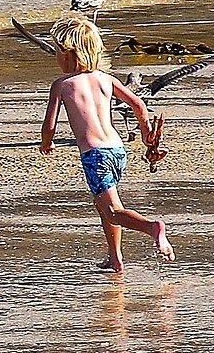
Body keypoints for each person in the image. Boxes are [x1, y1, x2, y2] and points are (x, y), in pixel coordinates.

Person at [38, 15, 174, 273]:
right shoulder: (106, 79)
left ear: (67, 54)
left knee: (112, 210)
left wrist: (47, 143)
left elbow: (49, 125)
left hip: (95, 155)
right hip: (117, 150)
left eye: (56, 51)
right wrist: (146, 133)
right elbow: (138, 105)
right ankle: (114, 257)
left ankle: (152, 227)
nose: (55, 58)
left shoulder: (62, 85)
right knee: (103, 205)